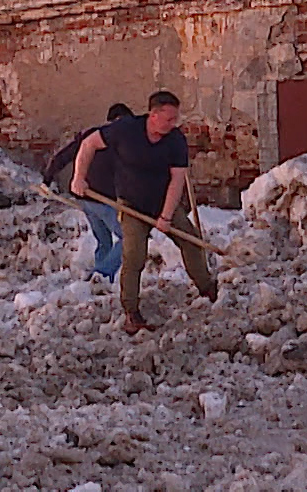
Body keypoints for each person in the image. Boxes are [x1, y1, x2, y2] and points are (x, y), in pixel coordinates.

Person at [72, 90, 216, 334]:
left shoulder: (175, 140)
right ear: (153, 114)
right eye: (169, 119)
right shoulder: (125, 130)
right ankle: (131, 312)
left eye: (175, 119)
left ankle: (208, 289)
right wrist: (79, 178)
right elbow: (88, 144)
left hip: (162, 201)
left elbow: (177, 180)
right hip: (131, 204)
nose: (174, 124)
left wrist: (167, 216)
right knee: (134, 255)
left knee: (192, 243)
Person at [44, 103, 132, 283]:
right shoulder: (119, 139)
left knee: (103, 240)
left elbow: (63, 156)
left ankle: (100, 284)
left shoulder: (90, 134)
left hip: (85, 197)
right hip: (102, 198)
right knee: (128, 239)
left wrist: (48, 177)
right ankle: (102, 274)